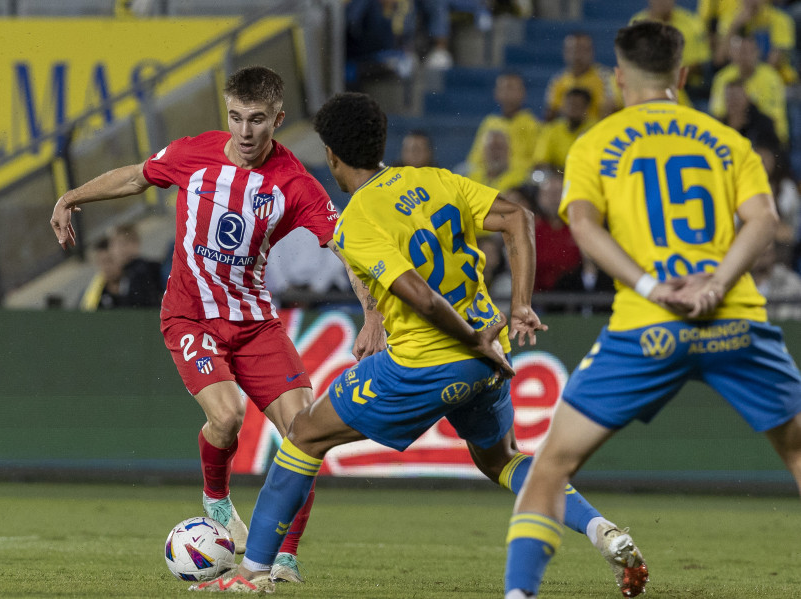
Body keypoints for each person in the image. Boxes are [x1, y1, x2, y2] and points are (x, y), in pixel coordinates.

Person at [192, 92, 644, 594]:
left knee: (303, 435)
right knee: (501, 459)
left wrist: (472, 340)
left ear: (333, 156)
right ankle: (602, 530)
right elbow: (519, 219)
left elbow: (422, 298)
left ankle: (253, 574)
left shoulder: (358, 219)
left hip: (428, 362)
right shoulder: (434, 179)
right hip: (487, 359)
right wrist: (519, 304)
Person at [50, 66, 387, 583]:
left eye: (257, 120)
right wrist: (71, 196)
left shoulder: (294, 184)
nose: (245, 132)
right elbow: (137, 175)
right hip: (190, 315)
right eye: (235, 117)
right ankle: (217, 499)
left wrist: (371, 312)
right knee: (226, 418)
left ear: (277, 118)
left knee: (304, 433)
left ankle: (287, 558)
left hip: (255, 323)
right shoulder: (194, 154)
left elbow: (347, 249)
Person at [505, 21, 801, 599]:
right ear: (683, 76)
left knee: (549, 468)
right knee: (796, 451)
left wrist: (650, 284)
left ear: (617, 78)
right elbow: (765, 221)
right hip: (735, 320)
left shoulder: (593, 143)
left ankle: (520, 596)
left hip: (648, 327)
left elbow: (584, 227)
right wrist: (714, 282)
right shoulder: (727, 140)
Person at [708, 34, 788, 146]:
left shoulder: (771, 77)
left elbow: (771, 117)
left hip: (766, 136)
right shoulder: (723, 77)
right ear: (732, 54)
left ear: (757, 53)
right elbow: (718, 113)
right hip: (733, 132)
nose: (744, 56)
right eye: (740, 51)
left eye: (748, 51)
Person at [465, 72, 541, 179]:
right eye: (503, 88)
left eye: (512, 88)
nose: (507, 93)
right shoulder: (489, 122)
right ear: (496, 93)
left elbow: (537, 162)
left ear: (523, 93)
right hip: (487, 179)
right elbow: (474, 159)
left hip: (518, 181)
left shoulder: (532, 124)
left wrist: (504, 165)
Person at [543, 32, 614, 122]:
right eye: (572, 50)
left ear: (592, 51)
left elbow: (613, 112)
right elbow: (550, 116)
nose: (577, 55)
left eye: (582, 50)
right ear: (565, 52)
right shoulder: (557, 81)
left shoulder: (607, 78)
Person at [533, 88, 595, 174]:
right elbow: (539, 163)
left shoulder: (595, 130)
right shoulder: (551, 129)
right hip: (556, 179)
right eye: (569, 105)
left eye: (577, 106)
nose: (572, 109)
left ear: (586, 108)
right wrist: (561, 172)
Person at [107, 223, 165, 308]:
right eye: (113, 245)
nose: (117, 250)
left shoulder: (144, 270)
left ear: (136, 244)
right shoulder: (125, 274)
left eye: (122, 243)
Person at [79, 236, 123, 311]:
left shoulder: (139, 282)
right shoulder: (88, 296)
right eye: (102, 262)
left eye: (110, 260)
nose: (106, 267)